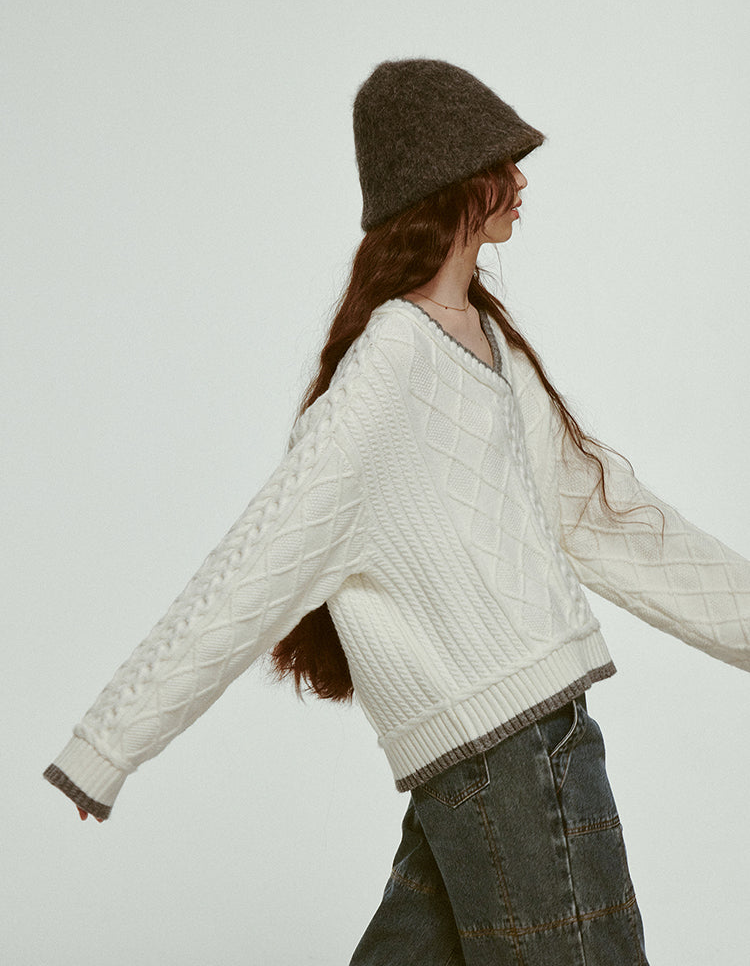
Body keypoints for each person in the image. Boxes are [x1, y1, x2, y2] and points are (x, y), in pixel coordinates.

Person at [44, 58, 750, 966]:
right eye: (501, 161)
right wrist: (108, 745)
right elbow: (256, 564)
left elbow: (608, 516)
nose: (522, 178)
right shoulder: (392, 366)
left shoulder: (490, 344)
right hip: (518, 755)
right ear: (448, 184)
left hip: (497, 754)